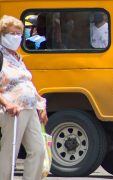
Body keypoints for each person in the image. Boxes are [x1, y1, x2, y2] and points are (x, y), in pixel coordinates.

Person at [0, 15, 48, 180]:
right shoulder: (1, 56)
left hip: (29, 107)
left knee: (38, 150)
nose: (16, 37)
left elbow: (27, 83)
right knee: (10, 152)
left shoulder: (17, 57)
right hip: (13, 110)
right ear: (2, 34)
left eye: (19, 33)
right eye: (12, 33)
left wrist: (41, 106)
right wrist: (7, 104)